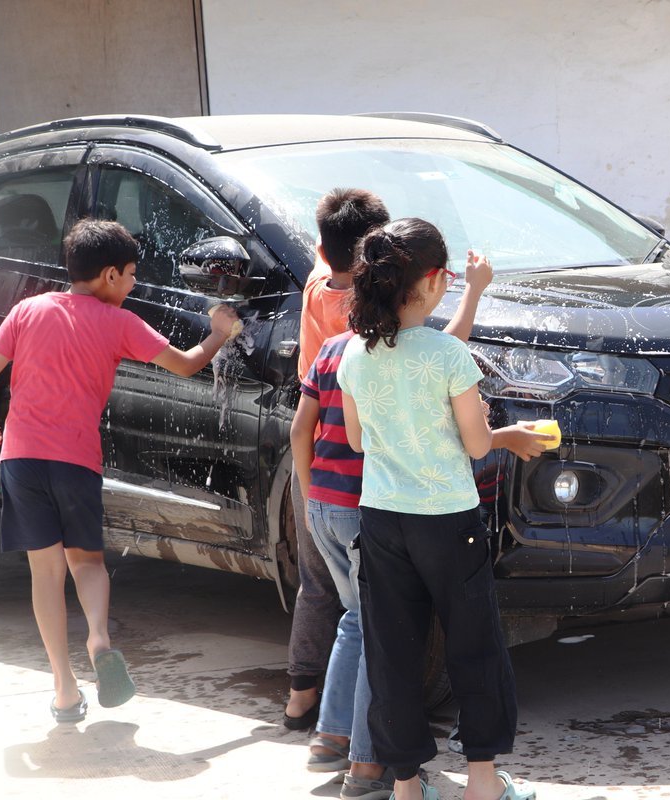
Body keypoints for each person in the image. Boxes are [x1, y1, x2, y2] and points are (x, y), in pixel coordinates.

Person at [293, 247, 552, 799]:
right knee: (474, 646)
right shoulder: (450, 356)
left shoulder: (355, 355)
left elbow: (359, 441)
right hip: (447, 521)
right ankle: (482, 784)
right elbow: (479, 444)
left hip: (383, 520)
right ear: (433, 281)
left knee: (392, 653)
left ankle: (409, 787)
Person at [0, 219, 239, 721]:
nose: (136, 284)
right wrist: (219, 333)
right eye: (133, 275)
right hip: (75, 462)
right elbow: (184, 365)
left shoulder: (28, 309)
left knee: (44, 576)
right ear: (111, 275)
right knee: (88, 563)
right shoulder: (119, 322)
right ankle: (98, 638)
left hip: (22, 459)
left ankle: (64, 689)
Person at [284, 188, 390, 731]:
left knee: (318, 582)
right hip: (358, 464)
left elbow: (324, 255)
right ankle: (360, 713)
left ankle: (301, 695)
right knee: (369, 597)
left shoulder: (313, 288)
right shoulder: (370, 312)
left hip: (314, 465)